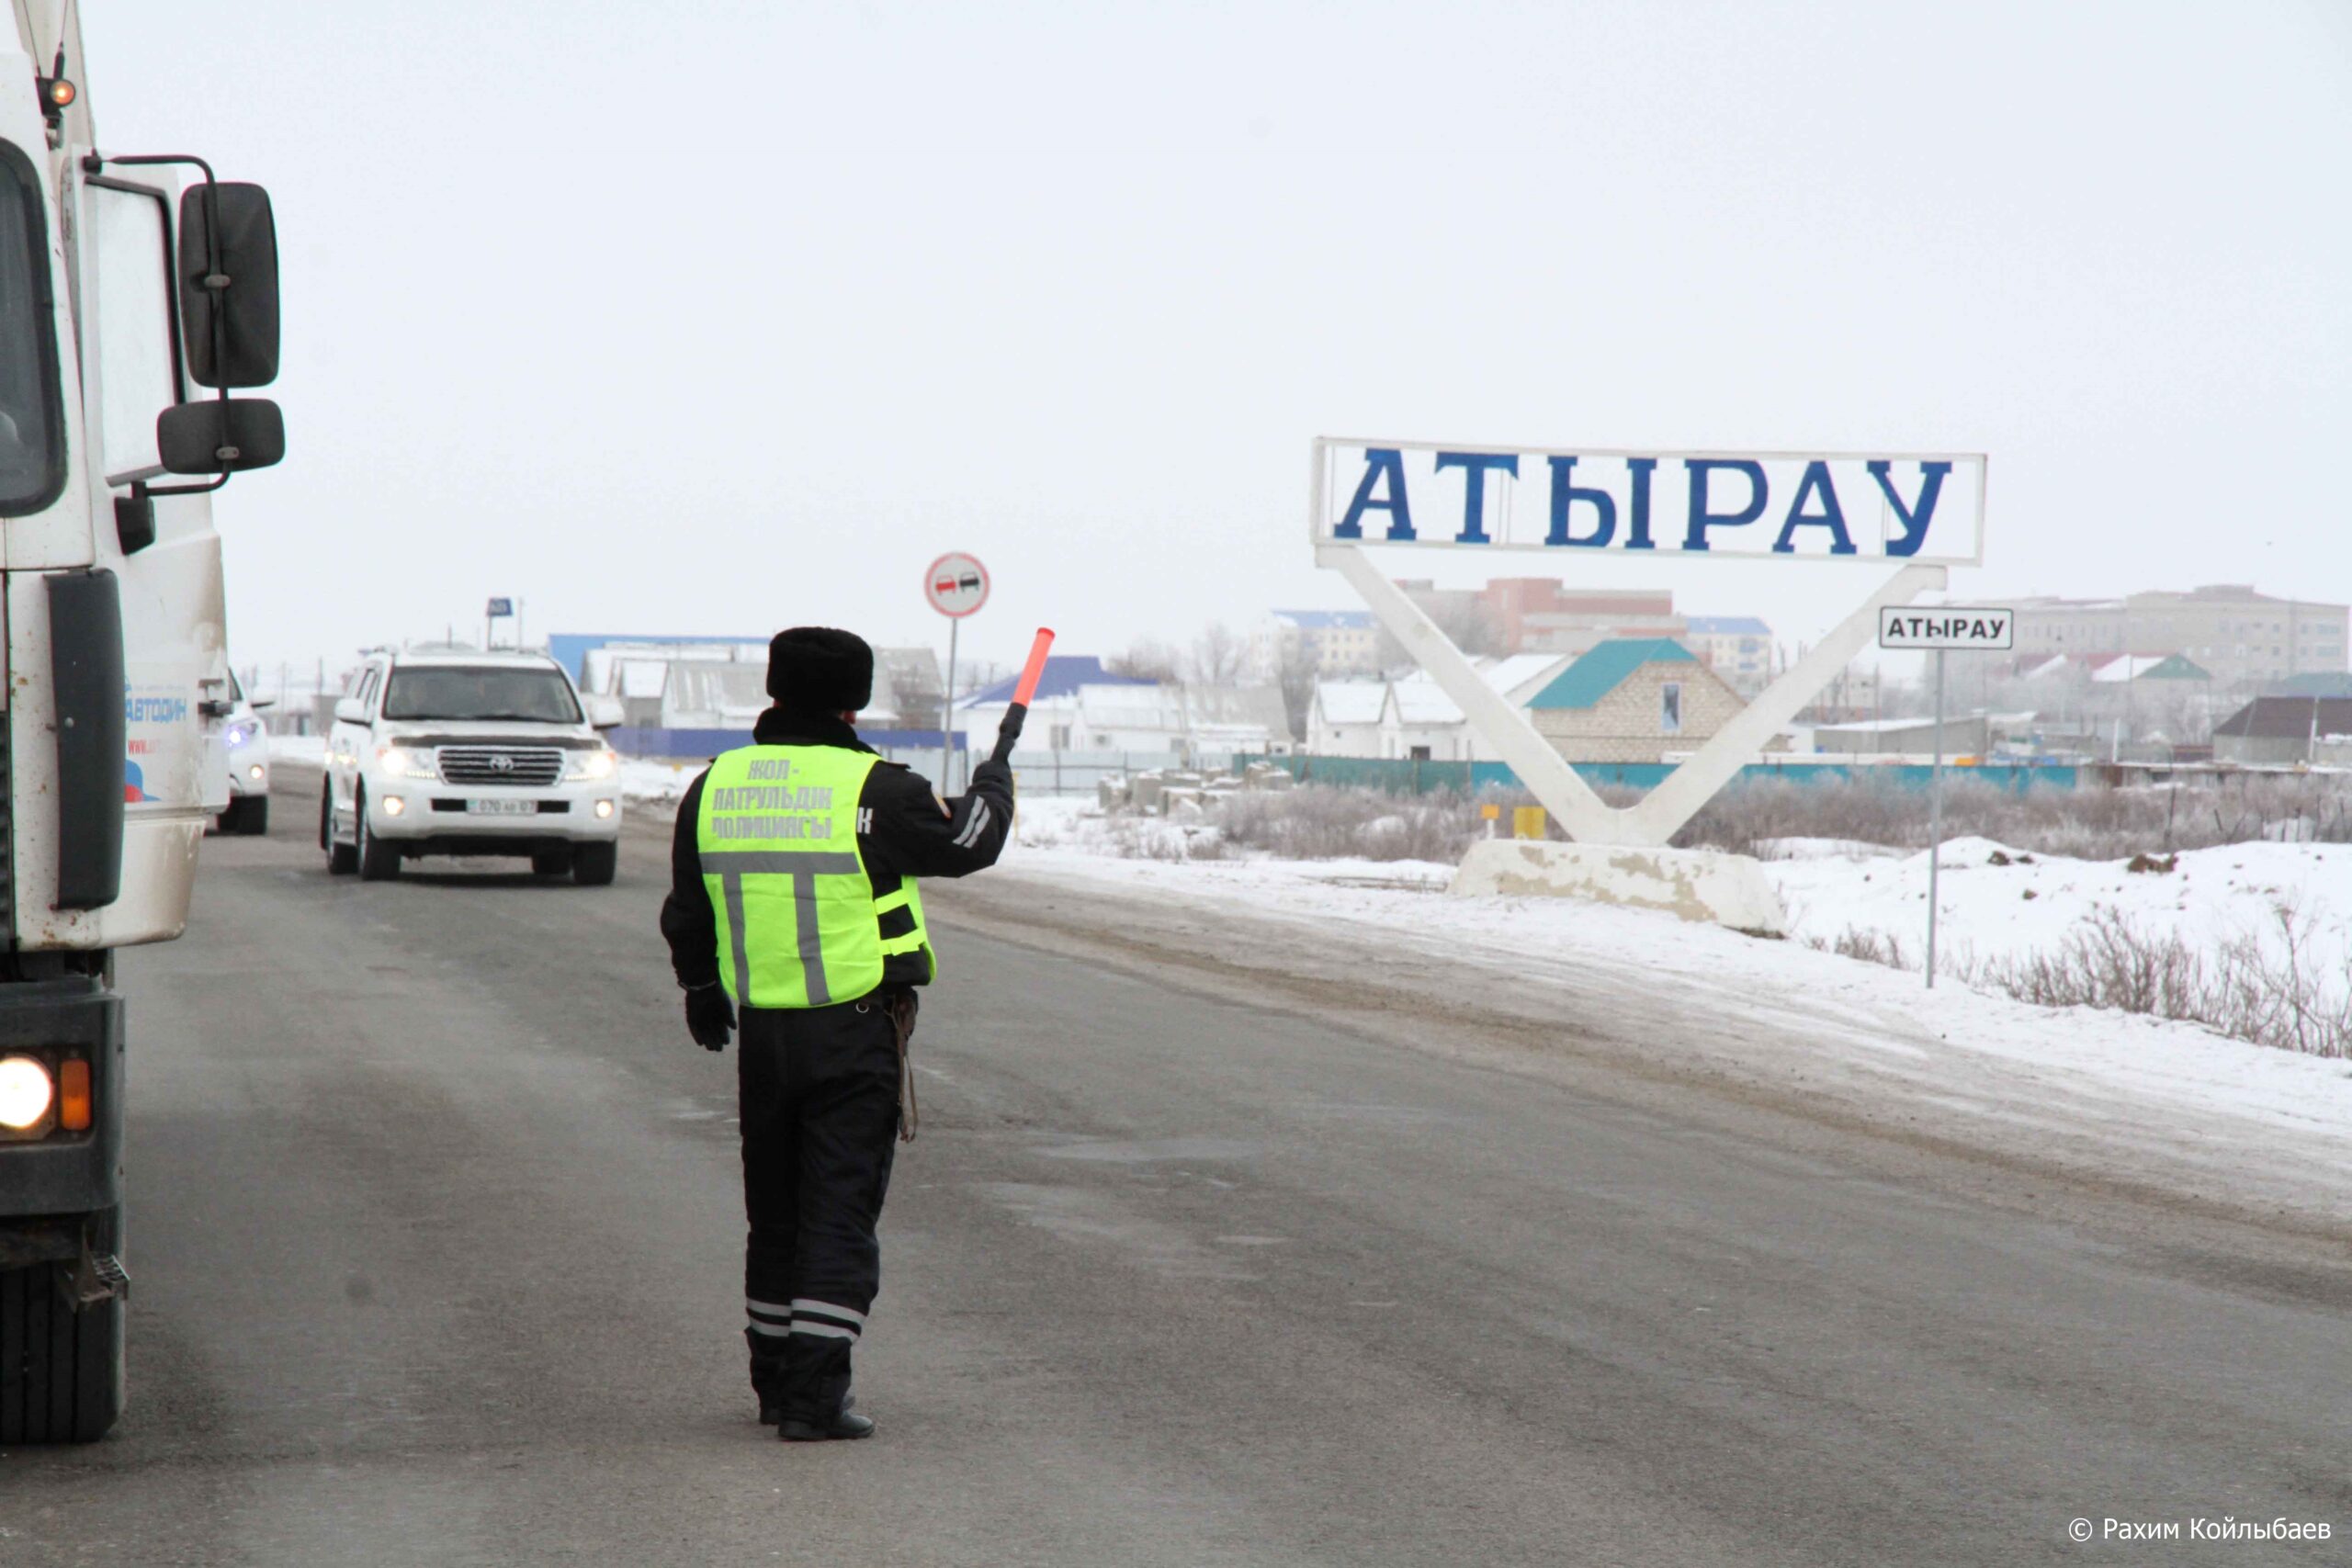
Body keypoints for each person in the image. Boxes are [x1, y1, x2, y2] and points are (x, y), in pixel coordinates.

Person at [660, 626, 1012, 1440]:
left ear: (775, 690)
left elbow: (689, 907)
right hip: (854, 1035)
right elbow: (970, 841)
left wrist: (702, 988)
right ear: (854, 700)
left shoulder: (716, 786)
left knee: (775, 1214)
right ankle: (818, 1399)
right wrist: (995, 782)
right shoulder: (875, 791)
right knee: (838, 1214)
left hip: (765, 1040)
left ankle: (777, 1387)